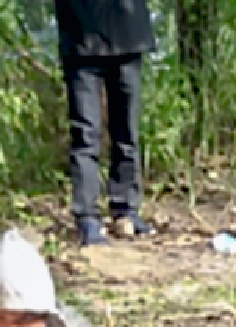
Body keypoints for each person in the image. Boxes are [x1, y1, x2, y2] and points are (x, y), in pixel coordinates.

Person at [57, 0, 157, 246]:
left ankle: (126, 210)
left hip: (129, 36)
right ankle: (87, 217)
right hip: (81, 38)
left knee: (127, 132)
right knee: (85, 135)